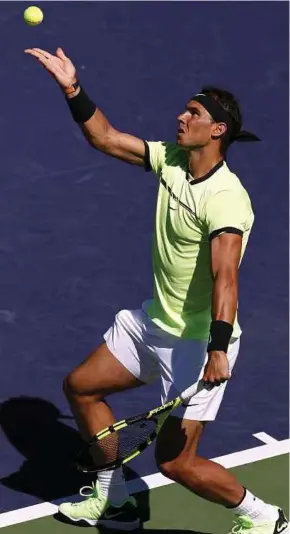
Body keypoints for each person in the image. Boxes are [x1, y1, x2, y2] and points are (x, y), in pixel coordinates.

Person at [25, 46, 288, 534]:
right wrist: (71, 87)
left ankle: (266, 518)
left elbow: (226, 279)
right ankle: (115, 499)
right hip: (154, 323)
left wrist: (215, 348)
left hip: (199, 345)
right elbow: (104, 138)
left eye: (194, 113)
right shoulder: (170, 159)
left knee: (176, 464)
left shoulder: (226, 198)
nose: (180, 116)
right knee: (82, 388)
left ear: (218, 130)